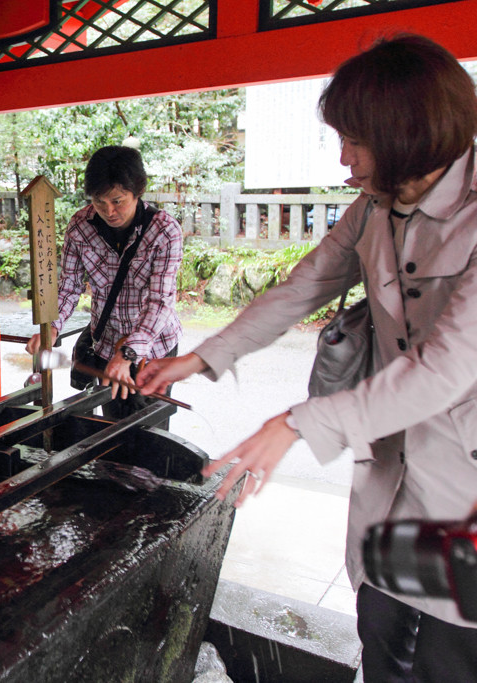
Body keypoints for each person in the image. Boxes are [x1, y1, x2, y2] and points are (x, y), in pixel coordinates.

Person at [137, 34, 477, 681]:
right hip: (394, 475)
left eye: (355, 139)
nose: (344, 158)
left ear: (407, 132)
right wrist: (202, 358)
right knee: (379, 634)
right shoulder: (376, 208)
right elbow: (303, 286)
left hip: (467, 484)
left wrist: (295, 422)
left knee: (450, 659)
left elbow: (447, 368)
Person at [26, 145, 183, 422]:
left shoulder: (164, 231)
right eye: (99, 202)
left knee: (150, 437)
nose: (109, 211)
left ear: (138, 192)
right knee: (112, 430)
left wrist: (128, 353)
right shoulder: (80, 226)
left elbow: (160, 302)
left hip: (153, 348)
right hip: (107, 342)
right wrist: (51, 327)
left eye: (118, 201)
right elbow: (69, 286)